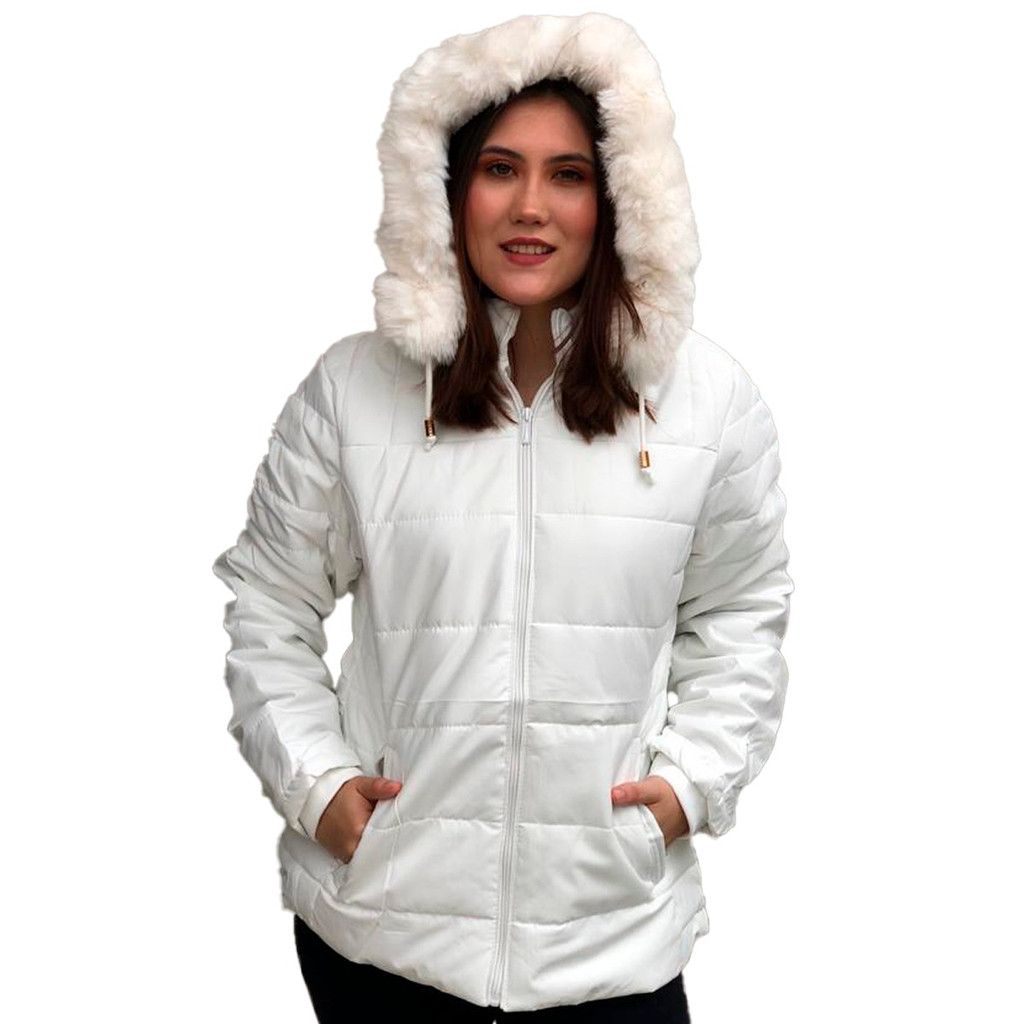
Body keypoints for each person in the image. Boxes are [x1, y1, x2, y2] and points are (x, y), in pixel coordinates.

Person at [213, 12, 793, 1022]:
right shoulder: (352, 392)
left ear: (620, 197)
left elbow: (740, 613)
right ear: (445, 188)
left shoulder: (709, 404)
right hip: (384, 942)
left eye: (568, 174)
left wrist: (687, 786)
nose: (531, 207)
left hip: (610, 944)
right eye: (498, 169)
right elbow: (269, 602)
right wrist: (319, 785)